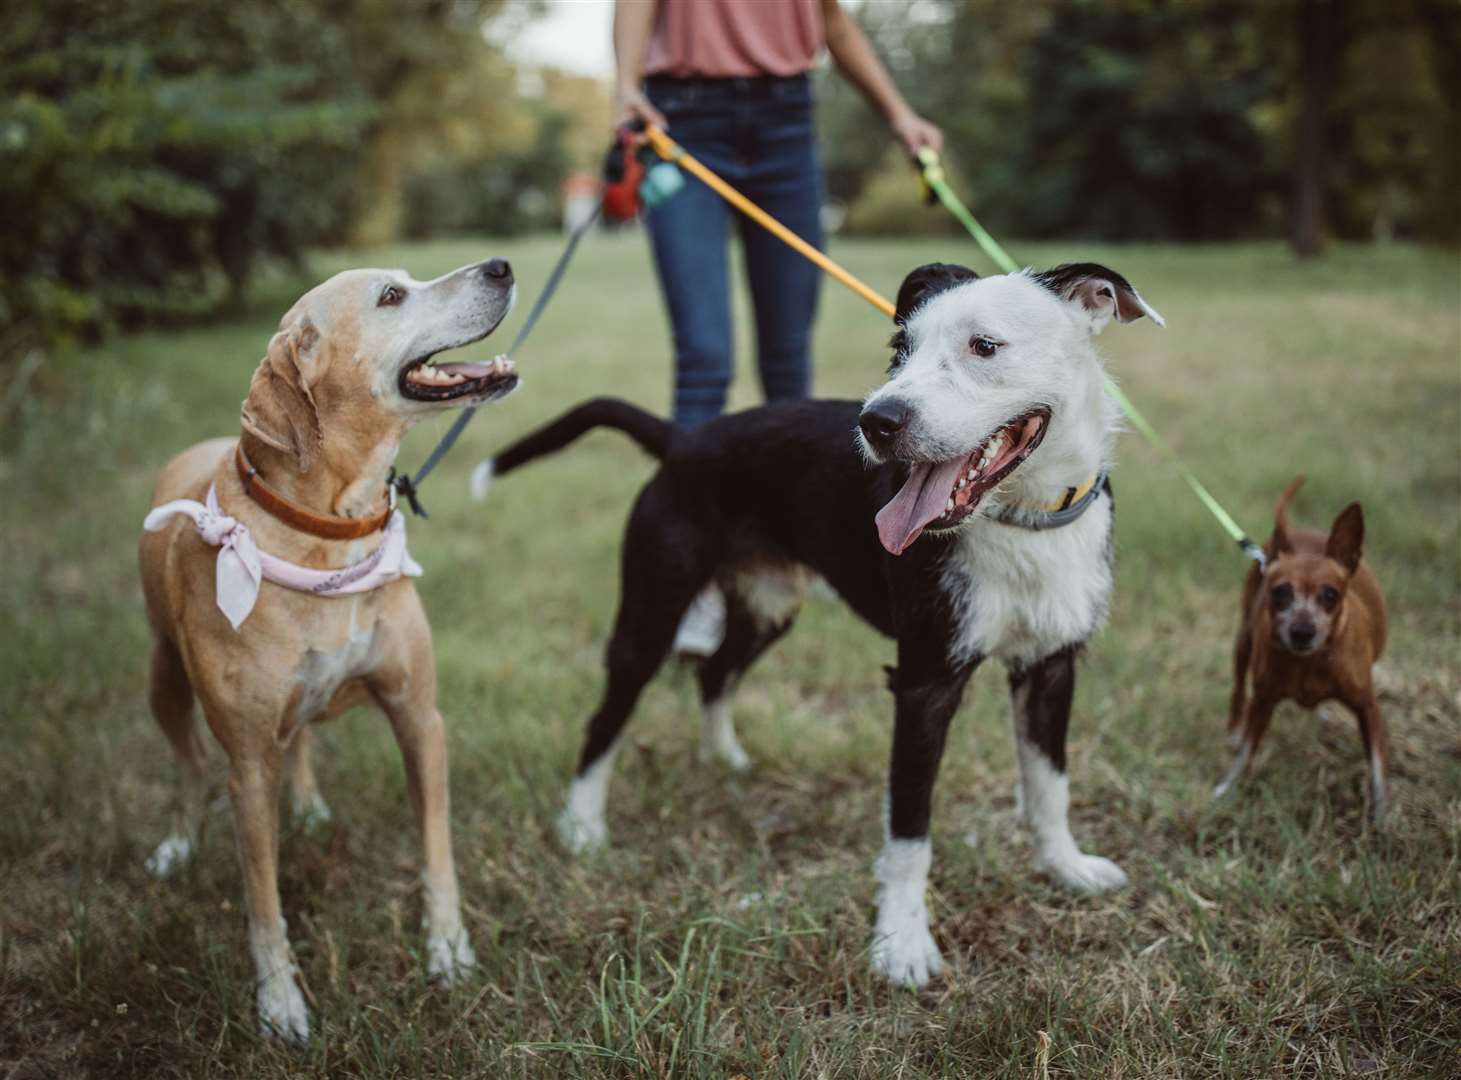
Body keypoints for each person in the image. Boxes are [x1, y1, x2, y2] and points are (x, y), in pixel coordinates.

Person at [613, 0, 943, 653]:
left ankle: (795, 547)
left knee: (787, 359)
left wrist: (898, 115)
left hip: (787, 122)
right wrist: (624, 86)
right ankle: (697, 581)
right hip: (680, 121)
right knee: (704, 357)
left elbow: (832, 22)